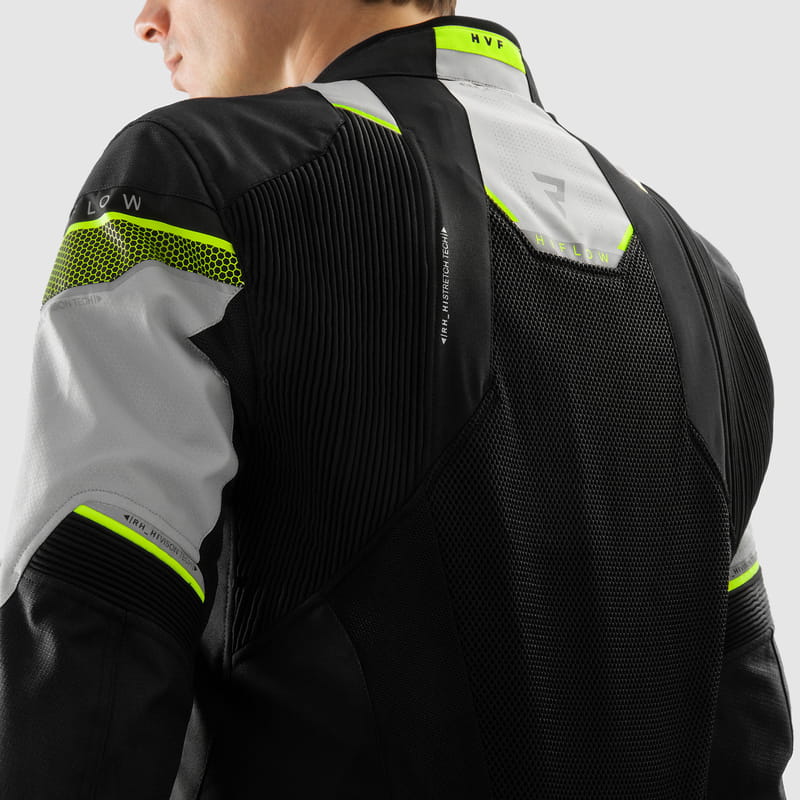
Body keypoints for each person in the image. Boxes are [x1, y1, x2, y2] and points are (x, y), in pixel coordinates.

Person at [0, 0, 792, 796]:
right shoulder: (705, 286)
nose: (149, 18)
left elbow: (86, 669)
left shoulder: (191, 186)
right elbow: (745, 747)